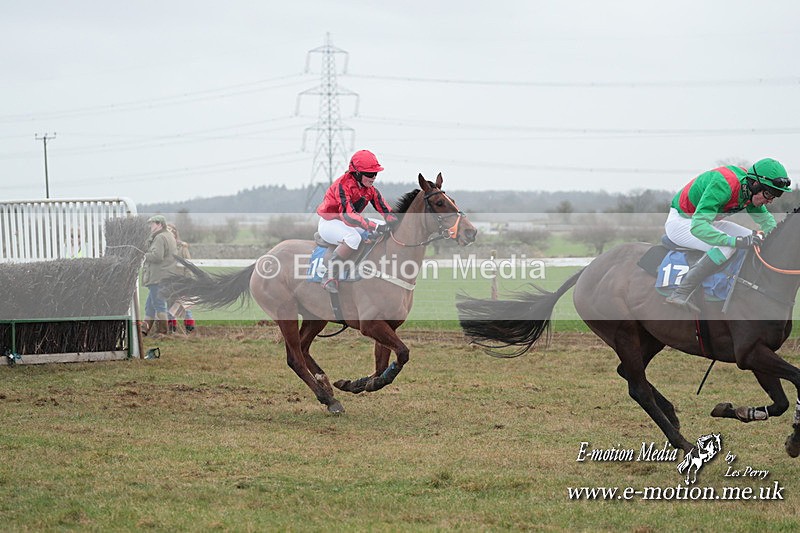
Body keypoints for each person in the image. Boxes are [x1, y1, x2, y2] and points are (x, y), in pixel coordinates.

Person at [664, 158, 791, 313]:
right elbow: (698, 226)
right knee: (727, 246)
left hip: (705, 221)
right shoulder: (723, 185)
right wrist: (734, 241)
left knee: (754, 238)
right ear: (755, 184)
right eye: (767, 194)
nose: (769, 201)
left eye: (773, 197)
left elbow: (767, 222)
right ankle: (681, 292)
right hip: (681, 222)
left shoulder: (749, 189)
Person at [315, 149, 398, 293]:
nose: (374, 177)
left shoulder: (370, 190)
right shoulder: (342, 185)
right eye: (370, 174)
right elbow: (348, 216)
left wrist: (398, 222)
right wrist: (373, 227)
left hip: (348, 222)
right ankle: (329, 276)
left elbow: (386, 211)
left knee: (384, 226)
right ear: (357, 173)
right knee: (353, 238)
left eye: (375, 173)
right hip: (330, 222)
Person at [141, 215, 179, 338]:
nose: (150, 226)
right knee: (150, 306)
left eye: (152, 224)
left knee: (159, 305)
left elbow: (157, 257)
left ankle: (162, 332)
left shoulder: (160, 237)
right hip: (165, 276)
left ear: (159, 224)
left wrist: (143, 254)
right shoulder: (169, 236)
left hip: (158, 277)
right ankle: (143, 331)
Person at [166, 223, 196, 333]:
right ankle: (171, 330)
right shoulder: (164, 248)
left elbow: (189, 265)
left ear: (175, 234)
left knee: (184, 306)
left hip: (182, 281)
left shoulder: (183, 248)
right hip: (169, 282)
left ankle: (190, 329)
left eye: (171, 231)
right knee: (170, 306)